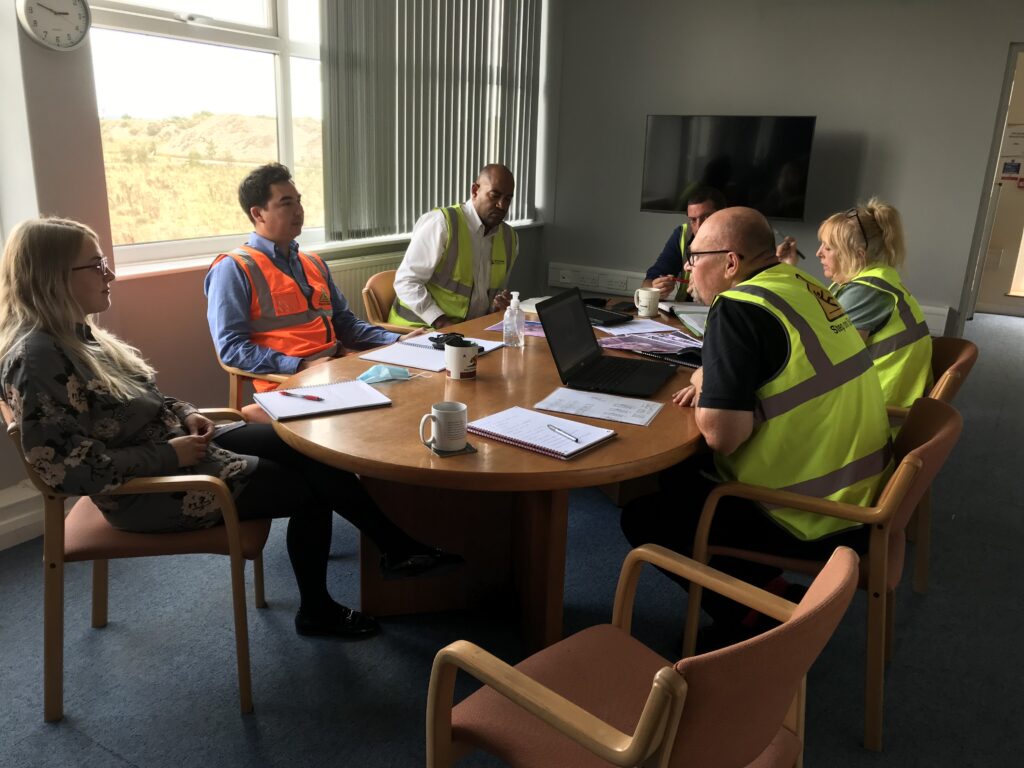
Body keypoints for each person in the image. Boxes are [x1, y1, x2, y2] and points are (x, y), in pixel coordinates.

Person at [0, 218, 461, 641]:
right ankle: (325, 604)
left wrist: (183, 413)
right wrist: (171, 455)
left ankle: (395, 549)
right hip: (146, 490)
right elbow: (65, 471)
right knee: (313, 488)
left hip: (179, 447)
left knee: (308, 446)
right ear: (54, 276)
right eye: (97, 264)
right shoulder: (38, 359)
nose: (110, 274)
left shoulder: (74, 333)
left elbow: (141, 396)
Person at [620, 207, 892, 644]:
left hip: (805, 515)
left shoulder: (738, 307)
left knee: (645, 515)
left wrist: (700, 375)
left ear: (731, 262)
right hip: (860, 490)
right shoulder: (804, 284)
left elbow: (723, 437)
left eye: (695, 258)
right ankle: (771, 591)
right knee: (676, 477)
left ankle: (755, 621)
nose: (687, 269)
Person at [205, 163, 421, 398]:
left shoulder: (313, 263)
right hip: (287, 384)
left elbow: (345, 325)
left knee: (416, 390)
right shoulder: (234, 269)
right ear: (258, 214)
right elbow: (232, 349)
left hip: (337, 370)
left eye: (298, 201)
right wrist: (302, 366)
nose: (299, 210)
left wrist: (399, 340)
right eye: (287, 203)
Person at [816, 199, 932, 411]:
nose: (818, 253)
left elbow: (835, 361)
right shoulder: (877, 279)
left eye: (828, 247)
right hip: (880, 402)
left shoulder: (866, 292)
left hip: (874, 414)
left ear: (857, 255)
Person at [389, 164, 519, 329]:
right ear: (474, 190)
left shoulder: (509, 238)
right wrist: (442, 322)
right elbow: (406, 282)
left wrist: (498, 307)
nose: (502, 205)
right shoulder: (441, 224)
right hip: (421, 329)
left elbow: (489, 297)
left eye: (508, 199)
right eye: (494, 195)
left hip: (469, 331)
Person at [644, 186, 800, 302]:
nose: (699, 226)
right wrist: (655, 289)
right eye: (693, 220)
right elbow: (648, 282)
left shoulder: (736, 239)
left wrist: (780, 265)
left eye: (706, 218)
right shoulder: (682, 235)